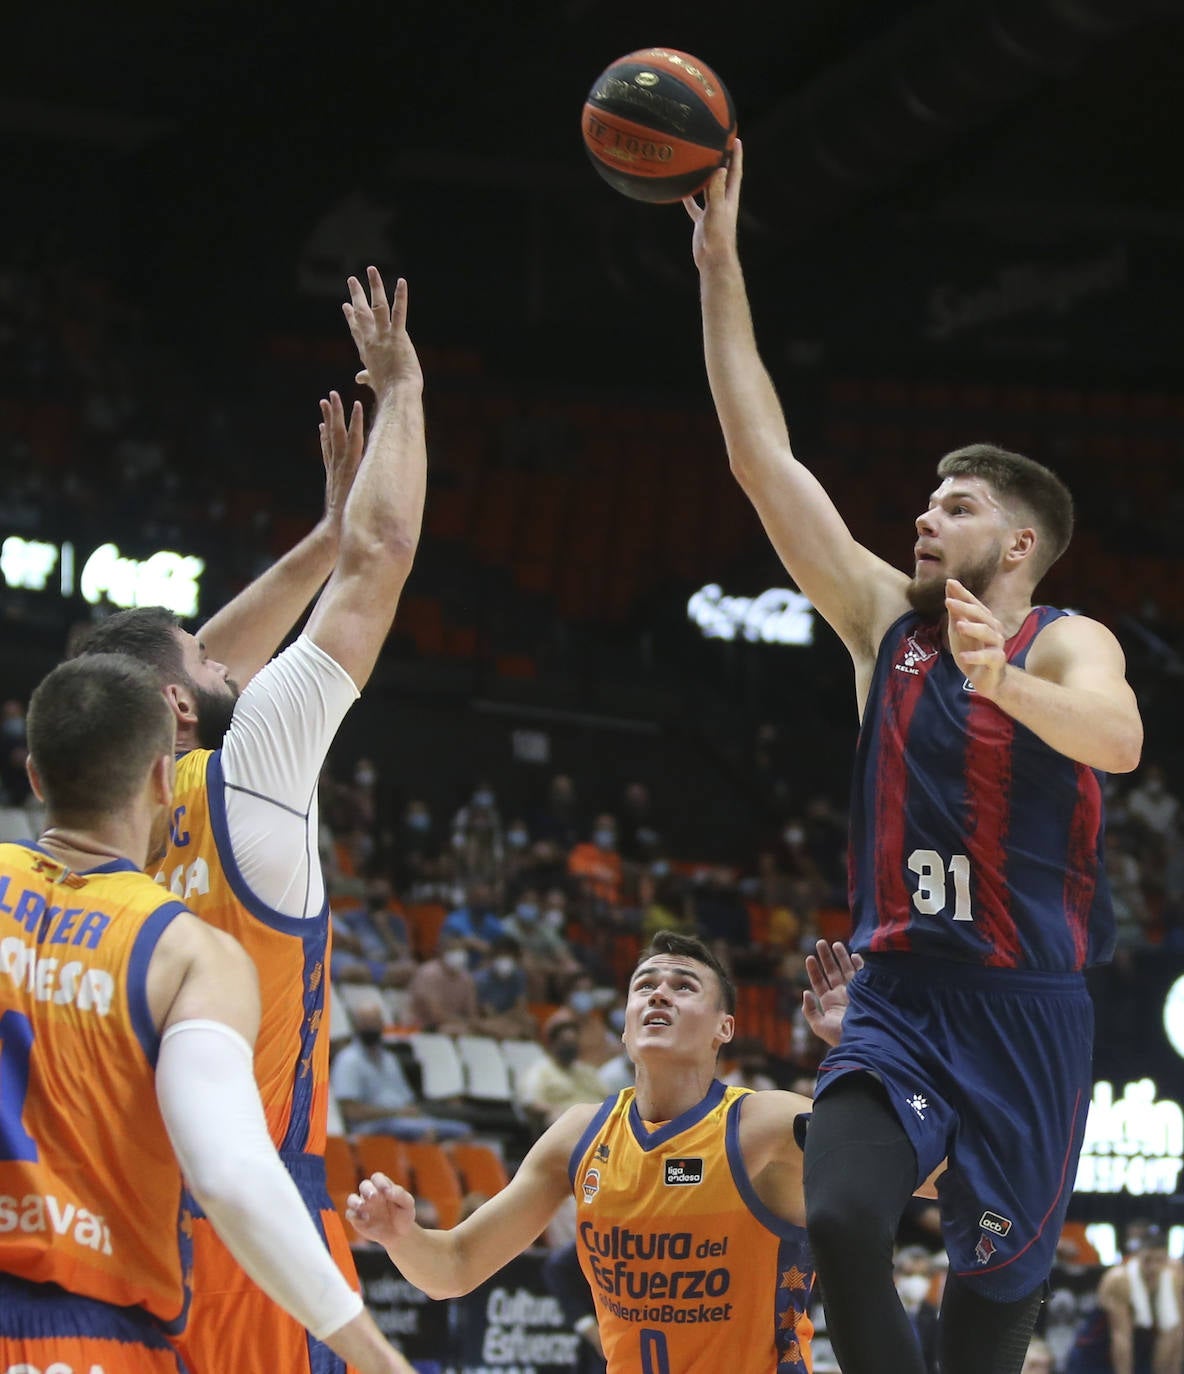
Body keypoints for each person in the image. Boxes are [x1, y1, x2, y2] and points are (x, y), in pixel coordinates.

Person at [686, 139, 1144, 1374]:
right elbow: (759, 459)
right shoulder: (880, 622)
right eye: (925, 504)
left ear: (1020, 542)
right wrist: (717, 268)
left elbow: (1119, 739)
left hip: (1025, 1014)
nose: (919, 518)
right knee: (838, 1212)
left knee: (986, 1314)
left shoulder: (1062, 642)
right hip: (894, 995)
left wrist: (1001, 683)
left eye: (952, 507)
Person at [74, 267, 427, 1374]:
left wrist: (316, 539)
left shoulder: (99, 808)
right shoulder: (251, 774)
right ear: (179, 704)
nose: (229, 655)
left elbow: (196, 664)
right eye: (203, 661)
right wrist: (405, 389)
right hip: (257, 1236)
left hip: (116, 1229)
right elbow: (384, 561)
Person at [0, 653, 411, 1374]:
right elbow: (227, 1175)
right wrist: (377, 1358)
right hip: (94, 1330)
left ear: (34, 776)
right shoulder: (187, 950)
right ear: (164, 779)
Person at [345, 932, 872, 1374]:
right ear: (623, 1027)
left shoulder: (767, 1124)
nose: (659, 994)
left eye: (683, 987)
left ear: (724, 1028)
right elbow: (455, 1268)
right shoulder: (579, 1135)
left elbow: (926, 1172)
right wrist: (400, 1236)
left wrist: (865, 1050)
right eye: (644, 986)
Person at [330, 1005, 472, 1142]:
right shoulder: (348, 1060)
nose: (372, 1028)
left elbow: (406, 1099)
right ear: (356, 1026)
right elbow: (351, 1111)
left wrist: (409, 1112)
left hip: (403, 1120)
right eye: (367, 1024)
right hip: (372, 1126)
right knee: (425, 1132)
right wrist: (395, 1113)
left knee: (463, 1131)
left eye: (375, 1023)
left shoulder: (389, 1059)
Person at [1065, 1225, 1182, 1374]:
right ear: (1136, 1257)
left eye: (1159, 1261)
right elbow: (1121, 1338)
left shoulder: (1174, 1278)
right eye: (1148, 1260)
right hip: (1096, 1354)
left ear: (1167, 1259)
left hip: (1140, 1354)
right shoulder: (1119, 1279)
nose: (1153, 1268)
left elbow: (1173, 1335)